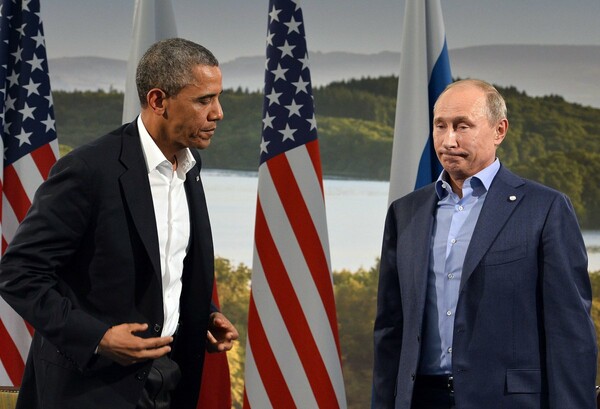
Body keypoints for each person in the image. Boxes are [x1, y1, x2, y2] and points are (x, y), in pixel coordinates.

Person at [0, 38, 238, 409]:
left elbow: (162, 266)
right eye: (203, 100)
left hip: (168, 379)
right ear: (158, 101)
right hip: (89, 389)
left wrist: (203, 313)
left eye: (218, 98)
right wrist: (99, 338)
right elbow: (18, 274)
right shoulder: (88, 170)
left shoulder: (190, 167)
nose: (218, 113)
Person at [372, 79, 597, 409]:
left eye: (462, 126)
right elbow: (390, 330)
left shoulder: (545, 209)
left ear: (499, 130)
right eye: (440, 126)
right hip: (420, 400)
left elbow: (570, 332)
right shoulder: (405, 212)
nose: (448, 140)